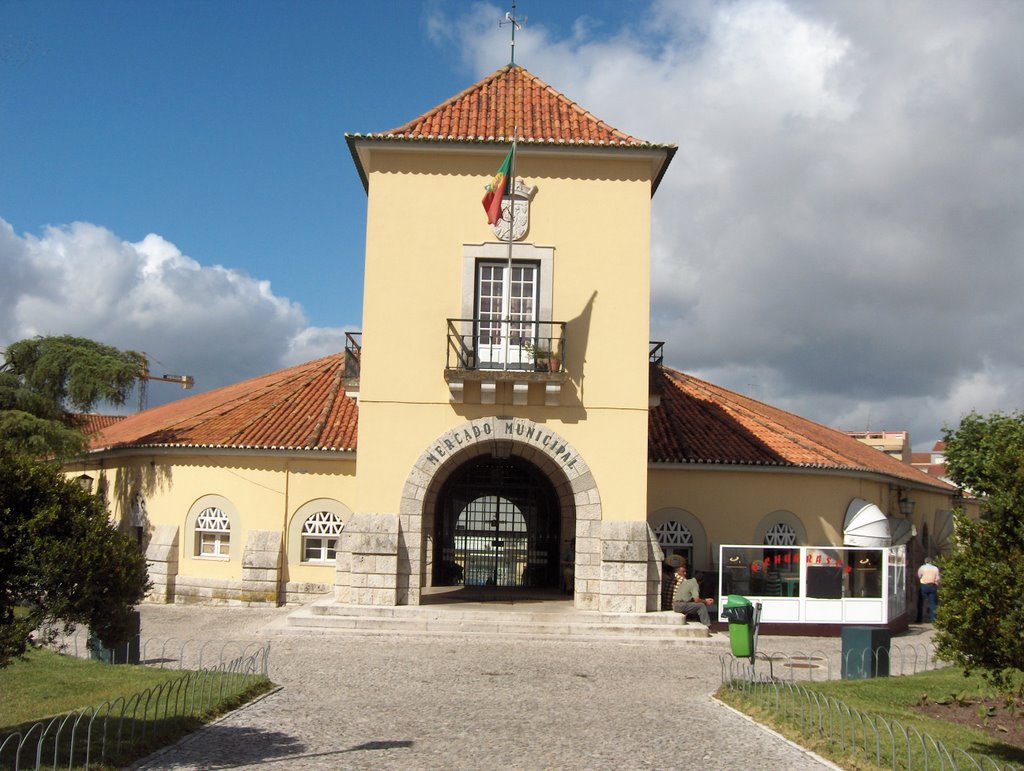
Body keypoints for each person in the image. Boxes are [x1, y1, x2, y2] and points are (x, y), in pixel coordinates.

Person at [671, 560, 715, 627]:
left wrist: (704, 599)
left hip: (676, 604)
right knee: (701, 606)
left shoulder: (687, 581)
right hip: (681, 605)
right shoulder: (695, 584)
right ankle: (707, 625)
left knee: (697, 605)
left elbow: (689, 598)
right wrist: (706, 601)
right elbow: (696, 600)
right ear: (700, 582)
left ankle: (699, 620)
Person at [918, 556, 940, 622]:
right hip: (932, 585)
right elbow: (937, 578)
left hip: (924, 585)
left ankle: (919, 618)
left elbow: (919, 575)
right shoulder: (935, 568)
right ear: (931, 561)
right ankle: (933, 619)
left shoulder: (922, 568)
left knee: (920, 602)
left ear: (925, 561)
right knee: (932, 603)